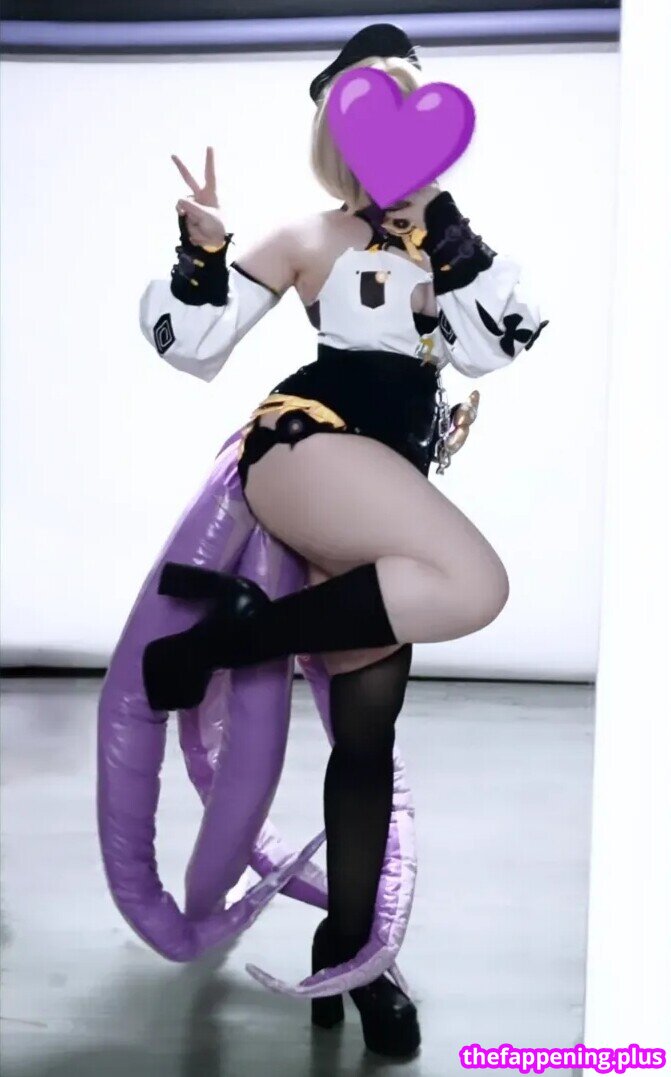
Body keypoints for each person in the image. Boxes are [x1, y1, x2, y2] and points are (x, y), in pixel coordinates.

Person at [138, 23, 547, 1059]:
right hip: (307, 449)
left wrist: (444, 229)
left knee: (366, 740)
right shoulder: (310, 236)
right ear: (339, 140)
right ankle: (219, 642)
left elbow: (493, 350)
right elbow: (194, 344)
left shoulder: (450, 250)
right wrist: (202, 249)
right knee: (474, 581)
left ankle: (350, 951)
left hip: (383, 492)